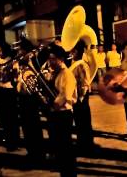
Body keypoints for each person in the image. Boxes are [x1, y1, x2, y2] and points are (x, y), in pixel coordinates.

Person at [46, 44, 77, 177]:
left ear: (61, 59)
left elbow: (65, 95)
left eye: (53, 59)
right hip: (55, 113)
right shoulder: (55, 73)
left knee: (66, 147)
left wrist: (52, 105)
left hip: (63, 113)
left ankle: (69, 173)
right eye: (49, 59)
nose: (50, 62)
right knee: (59, 146)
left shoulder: (67, 74)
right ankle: (63, 170)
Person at [69, 40, 99, 150]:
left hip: (80, 96)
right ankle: (83, 141)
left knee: (83, 120)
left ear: (76, 51)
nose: (70, 52)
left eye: (72, 50)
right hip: (77, 95)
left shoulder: (81, 64)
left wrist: (80, 96)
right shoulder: (74, 61)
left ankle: (86, 143)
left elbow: (84, 82)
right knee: (79, 120)